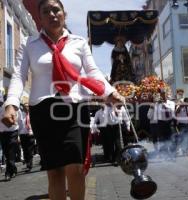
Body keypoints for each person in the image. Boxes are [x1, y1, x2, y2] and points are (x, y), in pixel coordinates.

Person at [1, 0, 124, 199]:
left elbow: (93, 72)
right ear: (40, 18)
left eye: (56, 10)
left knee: (75, 168)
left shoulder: (79, 42)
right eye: (46, 11)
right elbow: (18, 75)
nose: (52, 14)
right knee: (55, 171)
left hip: (74, 108)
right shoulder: (29, 44)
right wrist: (11, 104)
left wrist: (109, 92)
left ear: (64, 14)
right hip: (43, 110)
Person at [18, 103, 35, 172]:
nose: (26, 107)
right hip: (23, 134)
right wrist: (18, 135)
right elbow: (19, 125)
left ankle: (29, 165)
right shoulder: (21, 114)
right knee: (25, 150)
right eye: (25, 106)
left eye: (27, 106)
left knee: (30, 150)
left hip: (31, 134)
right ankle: (28, 162)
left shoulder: (33, 114)